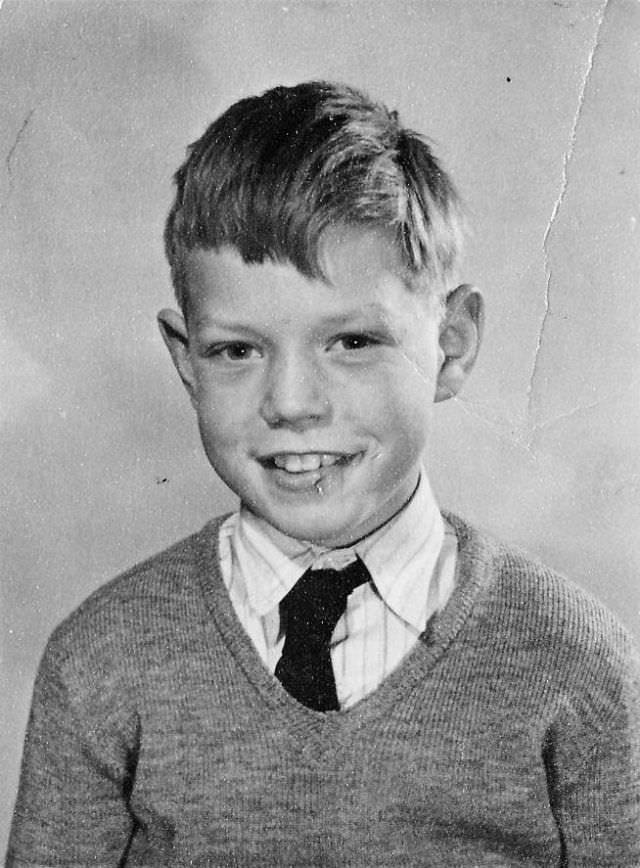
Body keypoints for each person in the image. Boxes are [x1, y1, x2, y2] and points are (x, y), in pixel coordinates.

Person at [6, 80, 640, 867]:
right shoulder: (100, 662)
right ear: (185, 361)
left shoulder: (576, 664)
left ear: (452, 344)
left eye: (352, 342)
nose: (292, 403)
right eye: (237, 350)